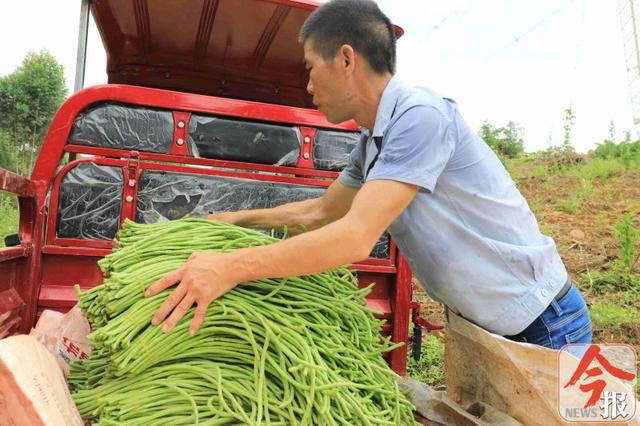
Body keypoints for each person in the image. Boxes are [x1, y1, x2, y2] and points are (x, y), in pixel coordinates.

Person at [145, 0, 592, 349]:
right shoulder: (372, 140)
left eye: (309, 68)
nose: (308, 86)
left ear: (345, 59)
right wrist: (232, 223)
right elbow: (323, 211)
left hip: (544, 326)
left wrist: (230, 267)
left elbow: (355, 237)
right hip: (486, 324)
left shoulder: (421, 115)